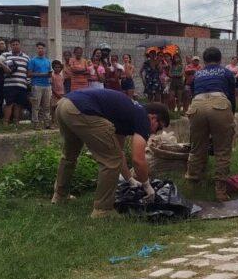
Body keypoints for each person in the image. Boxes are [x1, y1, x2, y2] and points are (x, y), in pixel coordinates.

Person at [51, 88, 170, 218]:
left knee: (69, 156)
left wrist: (129, 179)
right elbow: (138, 159)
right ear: (153, 118)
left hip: (64, 105)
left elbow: (118, 151)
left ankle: (60, 196)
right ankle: (103, 210)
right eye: (158, 128)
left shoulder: (129, 113)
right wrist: (147, 185)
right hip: (81, 109)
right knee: (110, 161)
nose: (154, 132)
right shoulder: (143, 117)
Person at [185, 47, 236, 202]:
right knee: (222, 149)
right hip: (219, 102)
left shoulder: (197, 74)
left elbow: (193, 93)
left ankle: (192, 187)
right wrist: (231, 116)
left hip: (197, 105)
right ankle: (220, 190)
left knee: (197, 148)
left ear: (204, 60)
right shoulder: (226, 73)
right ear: (220, 60)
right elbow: (232, 96)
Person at [0, 38, 30, 126]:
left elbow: (28, 71)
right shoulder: (6, 54)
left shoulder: (26, 57)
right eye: (13, 45)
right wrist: (5, 67)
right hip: (9, 84)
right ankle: (6, 122)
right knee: (9, 103)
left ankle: (16, 122)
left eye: (16, 44)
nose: (15, 46)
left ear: (20, 45)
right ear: (10, 46)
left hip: (22, 84)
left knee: (19, 104)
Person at [28, 42, 53, 130]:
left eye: (42, 48)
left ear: (45, 49)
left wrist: (49, 75)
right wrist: (42, 74)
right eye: (39, 48)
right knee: (36, 106)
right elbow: (29, 74)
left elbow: (49, 73)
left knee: (46, 106)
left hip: (47, 85)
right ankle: (35, 124)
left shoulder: (48, 61)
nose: (40, 50)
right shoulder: (33, 60)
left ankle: (47, 124)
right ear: (36, 49)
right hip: (36, 85)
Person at [50, 59, 65, 128]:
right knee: (53, 109)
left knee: (59, 109)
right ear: (53, 67)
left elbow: (62, 85)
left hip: (61, 94)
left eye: (59, 67)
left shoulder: (61, 76)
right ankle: (53, 122)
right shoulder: (52, 76)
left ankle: (58, 123)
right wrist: (56, 93)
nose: (57, 69)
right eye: (56, 67)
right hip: (54, 94)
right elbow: (51, 86)